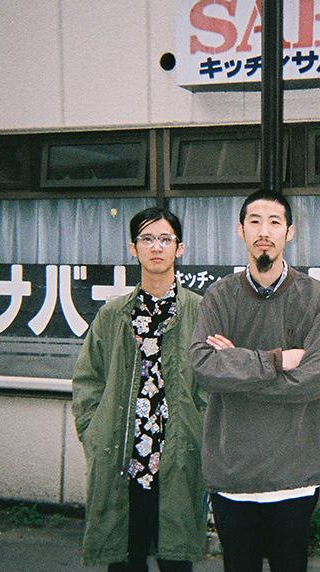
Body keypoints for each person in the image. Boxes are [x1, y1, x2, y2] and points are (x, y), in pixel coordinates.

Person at [189, 190, 320, 572]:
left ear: (290, 231)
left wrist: (236, 368)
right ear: (240, 230)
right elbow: (203, 367)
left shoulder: (317, 298)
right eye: (254, 221)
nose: (264, 231)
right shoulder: (219, 297)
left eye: (274, 222)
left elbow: (317, 379)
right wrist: (277, 360)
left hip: (295, 473)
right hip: (232, 474)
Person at [72, 207, 207, 571]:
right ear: (133, 248)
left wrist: (199, 429)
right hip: (122, 460)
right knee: (123, 561)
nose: (156, 247)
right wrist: (94, 432)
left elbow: (213, 383)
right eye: (147, 239)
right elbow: (87, 381)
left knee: (176, 561)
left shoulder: (200, 311)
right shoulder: (113, 314)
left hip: (178, 457)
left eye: (165, 239)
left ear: (179, 248)